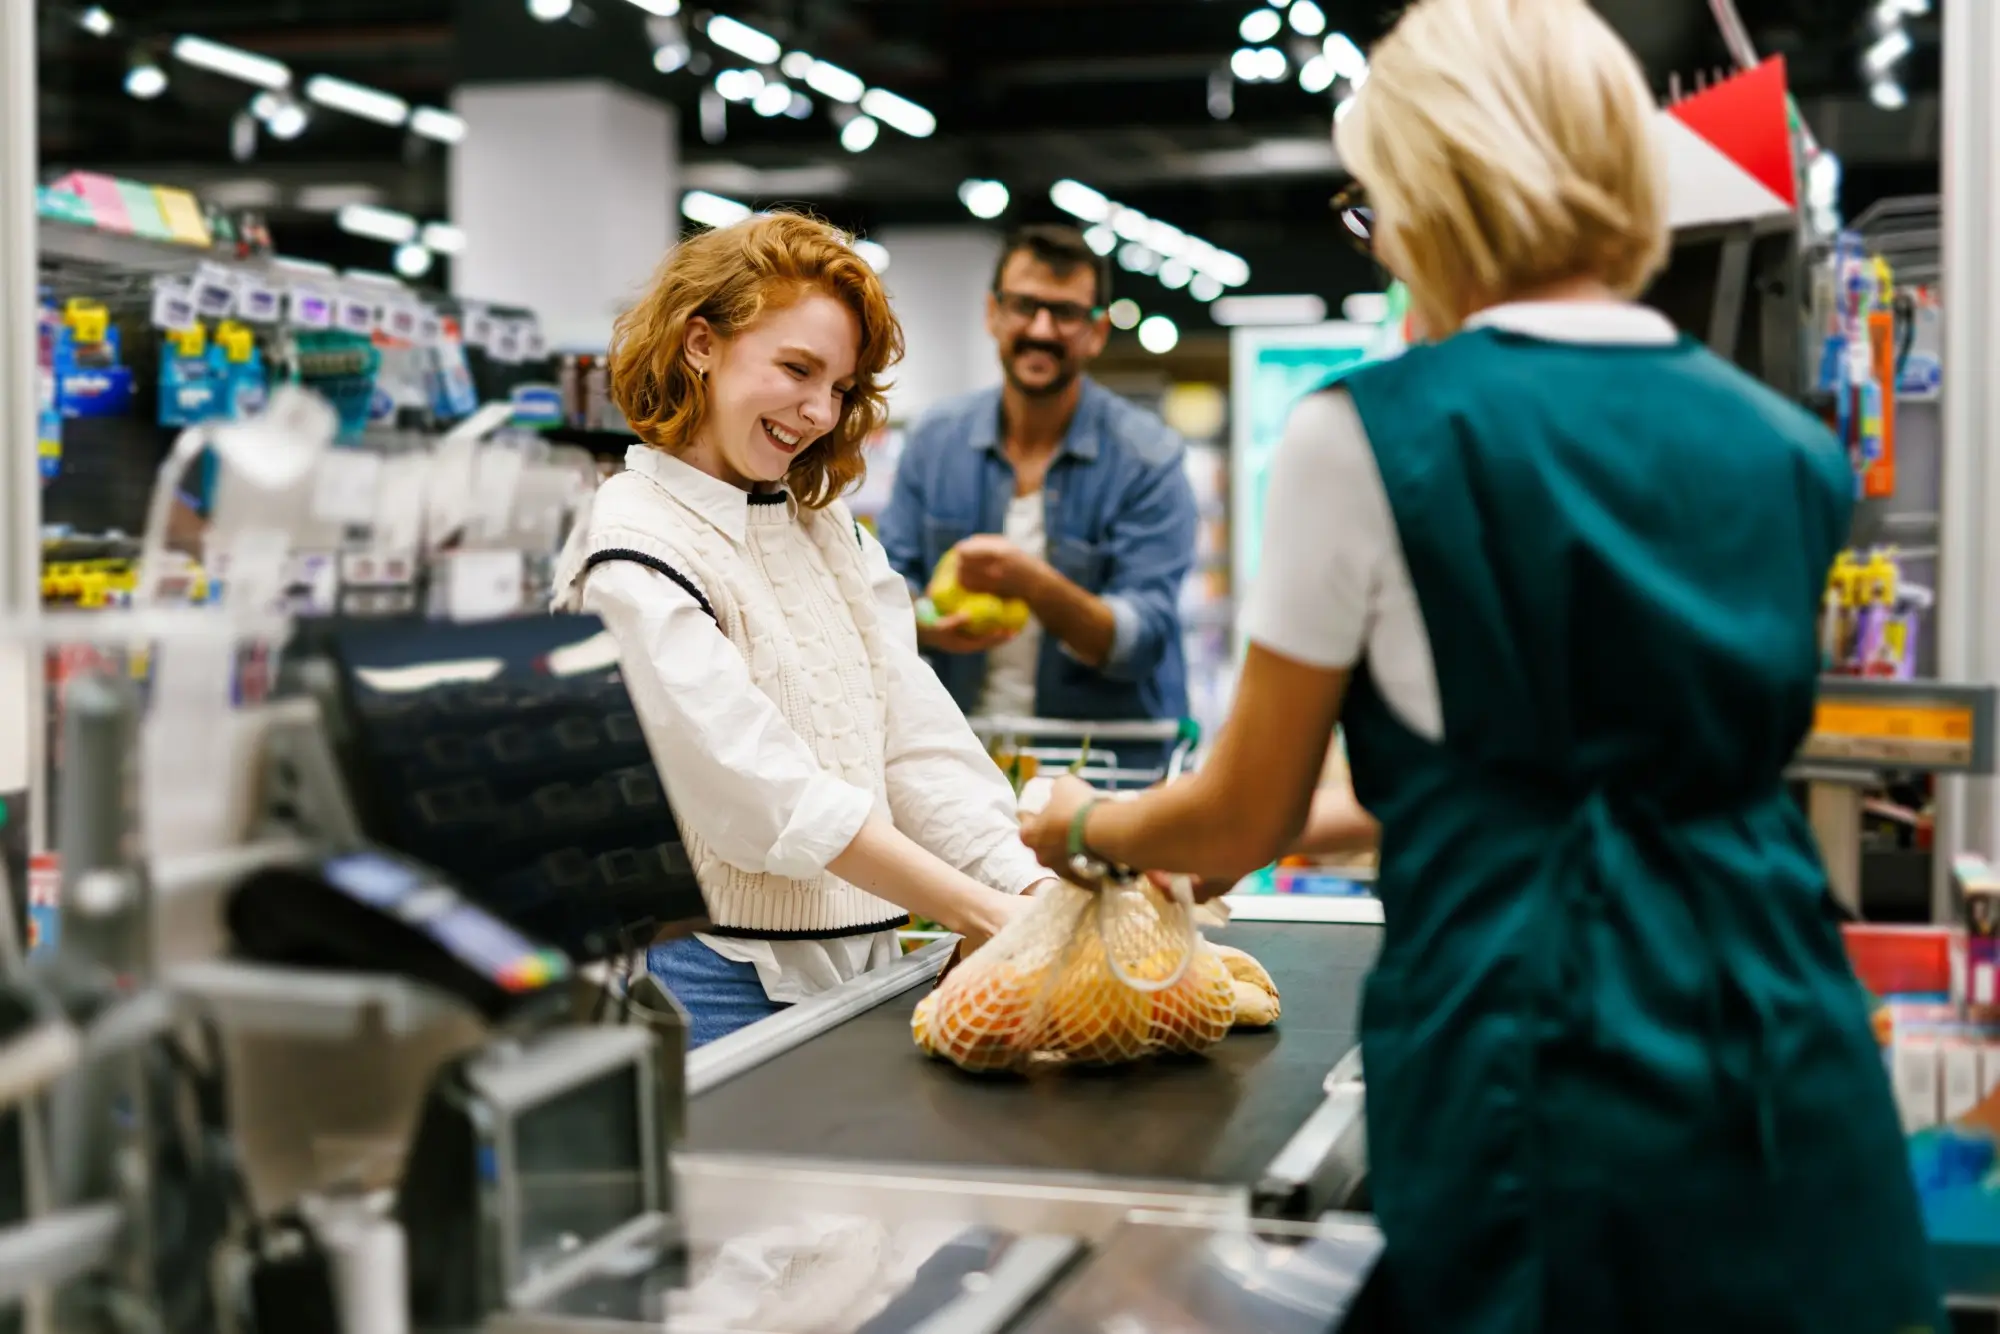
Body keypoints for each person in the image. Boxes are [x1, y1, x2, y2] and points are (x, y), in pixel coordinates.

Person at [1020, 1, 1941, 1330]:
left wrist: (1082, 822)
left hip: (1534, 1050)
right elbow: (1573, 759)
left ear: (1436, 186)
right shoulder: (1788, 450)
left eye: (1373, 204)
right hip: (1779, 1035)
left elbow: (1242, 815)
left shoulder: (1371, 434)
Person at [553, 213, 1053, 1047]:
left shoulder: (829, 533)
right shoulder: (631, 547)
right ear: (701, 343)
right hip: (714, 982)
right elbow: (769, 794)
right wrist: (981, 909)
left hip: (868, 966)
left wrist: (1030, 889)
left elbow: (915, 745)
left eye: (842, 387)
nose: (820, 411)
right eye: (797, 369)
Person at [877, 224, 1198, 759]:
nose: (1042, 329)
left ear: (1097, 331)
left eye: (1066, 313)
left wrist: (1033, 584)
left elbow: (1142, 639)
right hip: (961, 755)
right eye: (1025, 306)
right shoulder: (935, 442)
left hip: (1101, 763)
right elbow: (886, 590)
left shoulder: (1149, 459)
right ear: (993, 313)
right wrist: (930, 623)